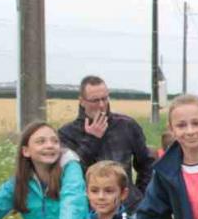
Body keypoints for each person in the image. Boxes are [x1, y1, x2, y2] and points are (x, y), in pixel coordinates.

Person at [58, 75, 154, 209]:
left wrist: (141, 197)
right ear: (82, 101)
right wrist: (92, 139)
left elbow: (147, 164)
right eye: (95, 100)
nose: (101, 105)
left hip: (128, 207)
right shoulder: (67, 133)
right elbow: (72, 172)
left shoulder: (126, 125)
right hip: (89, 211)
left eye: (104, 99)